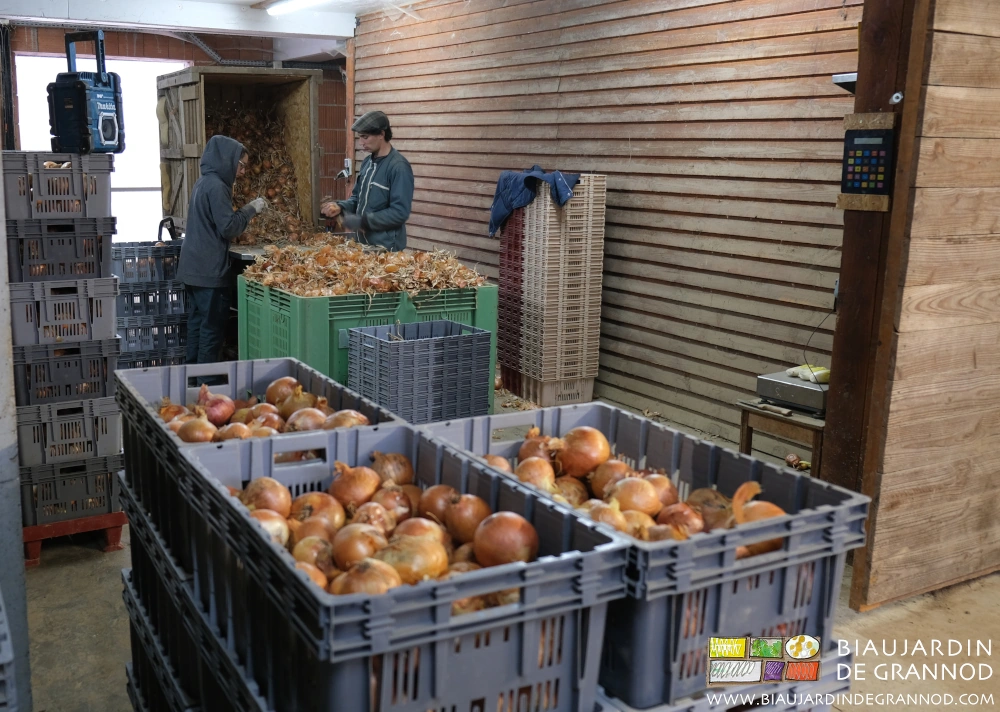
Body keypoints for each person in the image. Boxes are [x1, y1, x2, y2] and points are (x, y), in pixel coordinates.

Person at [177, 135, 267, 364]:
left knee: (197, 325)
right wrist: (251, 209)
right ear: (228, 160)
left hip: (193, 268)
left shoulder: (204, 182)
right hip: (208, 271)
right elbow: (228, 227)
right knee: (212, 331)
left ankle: (192, 383)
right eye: (242, 165)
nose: (244, 171)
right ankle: (207, 388)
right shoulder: (217, 186)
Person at [321, 111, 413, 251]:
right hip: (362, 245)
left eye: (365, 137)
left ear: (382, 134)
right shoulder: (367, 163)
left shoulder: (398, 167)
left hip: (386, 250)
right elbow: (357, 198)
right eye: (360, 137)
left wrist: (365, 222)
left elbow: (400, 212)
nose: (361, 142)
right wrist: (341, 206)